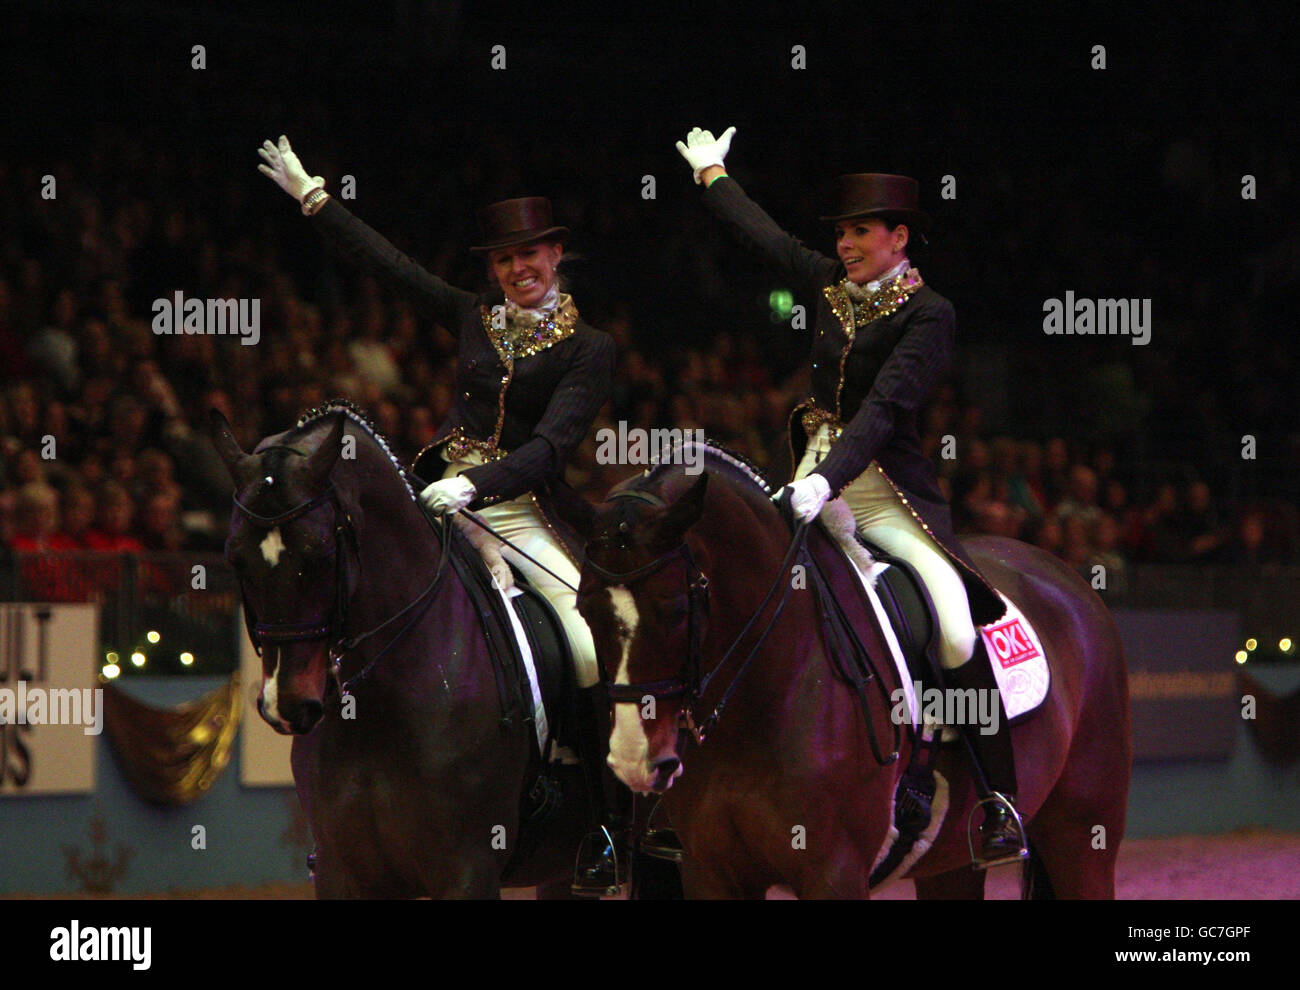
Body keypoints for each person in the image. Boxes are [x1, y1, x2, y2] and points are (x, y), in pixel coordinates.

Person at [257, 136, 621, 894]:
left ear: (557, 255)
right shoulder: (474, 316)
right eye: (503, 261)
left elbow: (553, 447)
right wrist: (315, 198)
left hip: (525, 512)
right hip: (436, 497)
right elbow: (391, 269)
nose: (517, 270)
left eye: (530, 256)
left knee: (587, 644)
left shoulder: (590, 349)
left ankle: (604, 825)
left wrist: (480, 484)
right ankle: (343, 812)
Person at [677, 126, 1024, 867]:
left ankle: (999, 801)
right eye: (840, 233)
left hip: (884, 496)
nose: (845, 244)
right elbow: (765, 239)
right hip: (807, 482)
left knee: (955, 628)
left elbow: (886, 409)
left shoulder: (930, 315)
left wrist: (824, 479)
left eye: (860, 232)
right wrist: (713, 175)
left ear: (900, 237)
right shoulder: (832, 291)